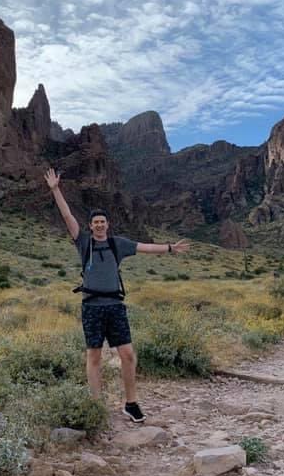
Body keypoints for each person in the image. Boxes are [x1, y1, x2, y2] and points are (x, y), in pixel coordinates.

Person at [44, 167, 190, 422]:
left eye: (103, 222)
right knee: (94, 355)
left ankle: (131, 403)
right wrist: (56, 189)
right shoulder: (84, 242)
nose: (99, 225)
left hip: (115, 306)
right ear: (90, 226)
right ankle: (95, 405)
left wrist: (169, 248)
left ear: (107, 225)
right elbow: (67, 216)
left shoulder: (117, 244)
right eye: (95, 222)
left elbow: (145, 247)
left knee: (128, 354)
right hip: (92, 307)